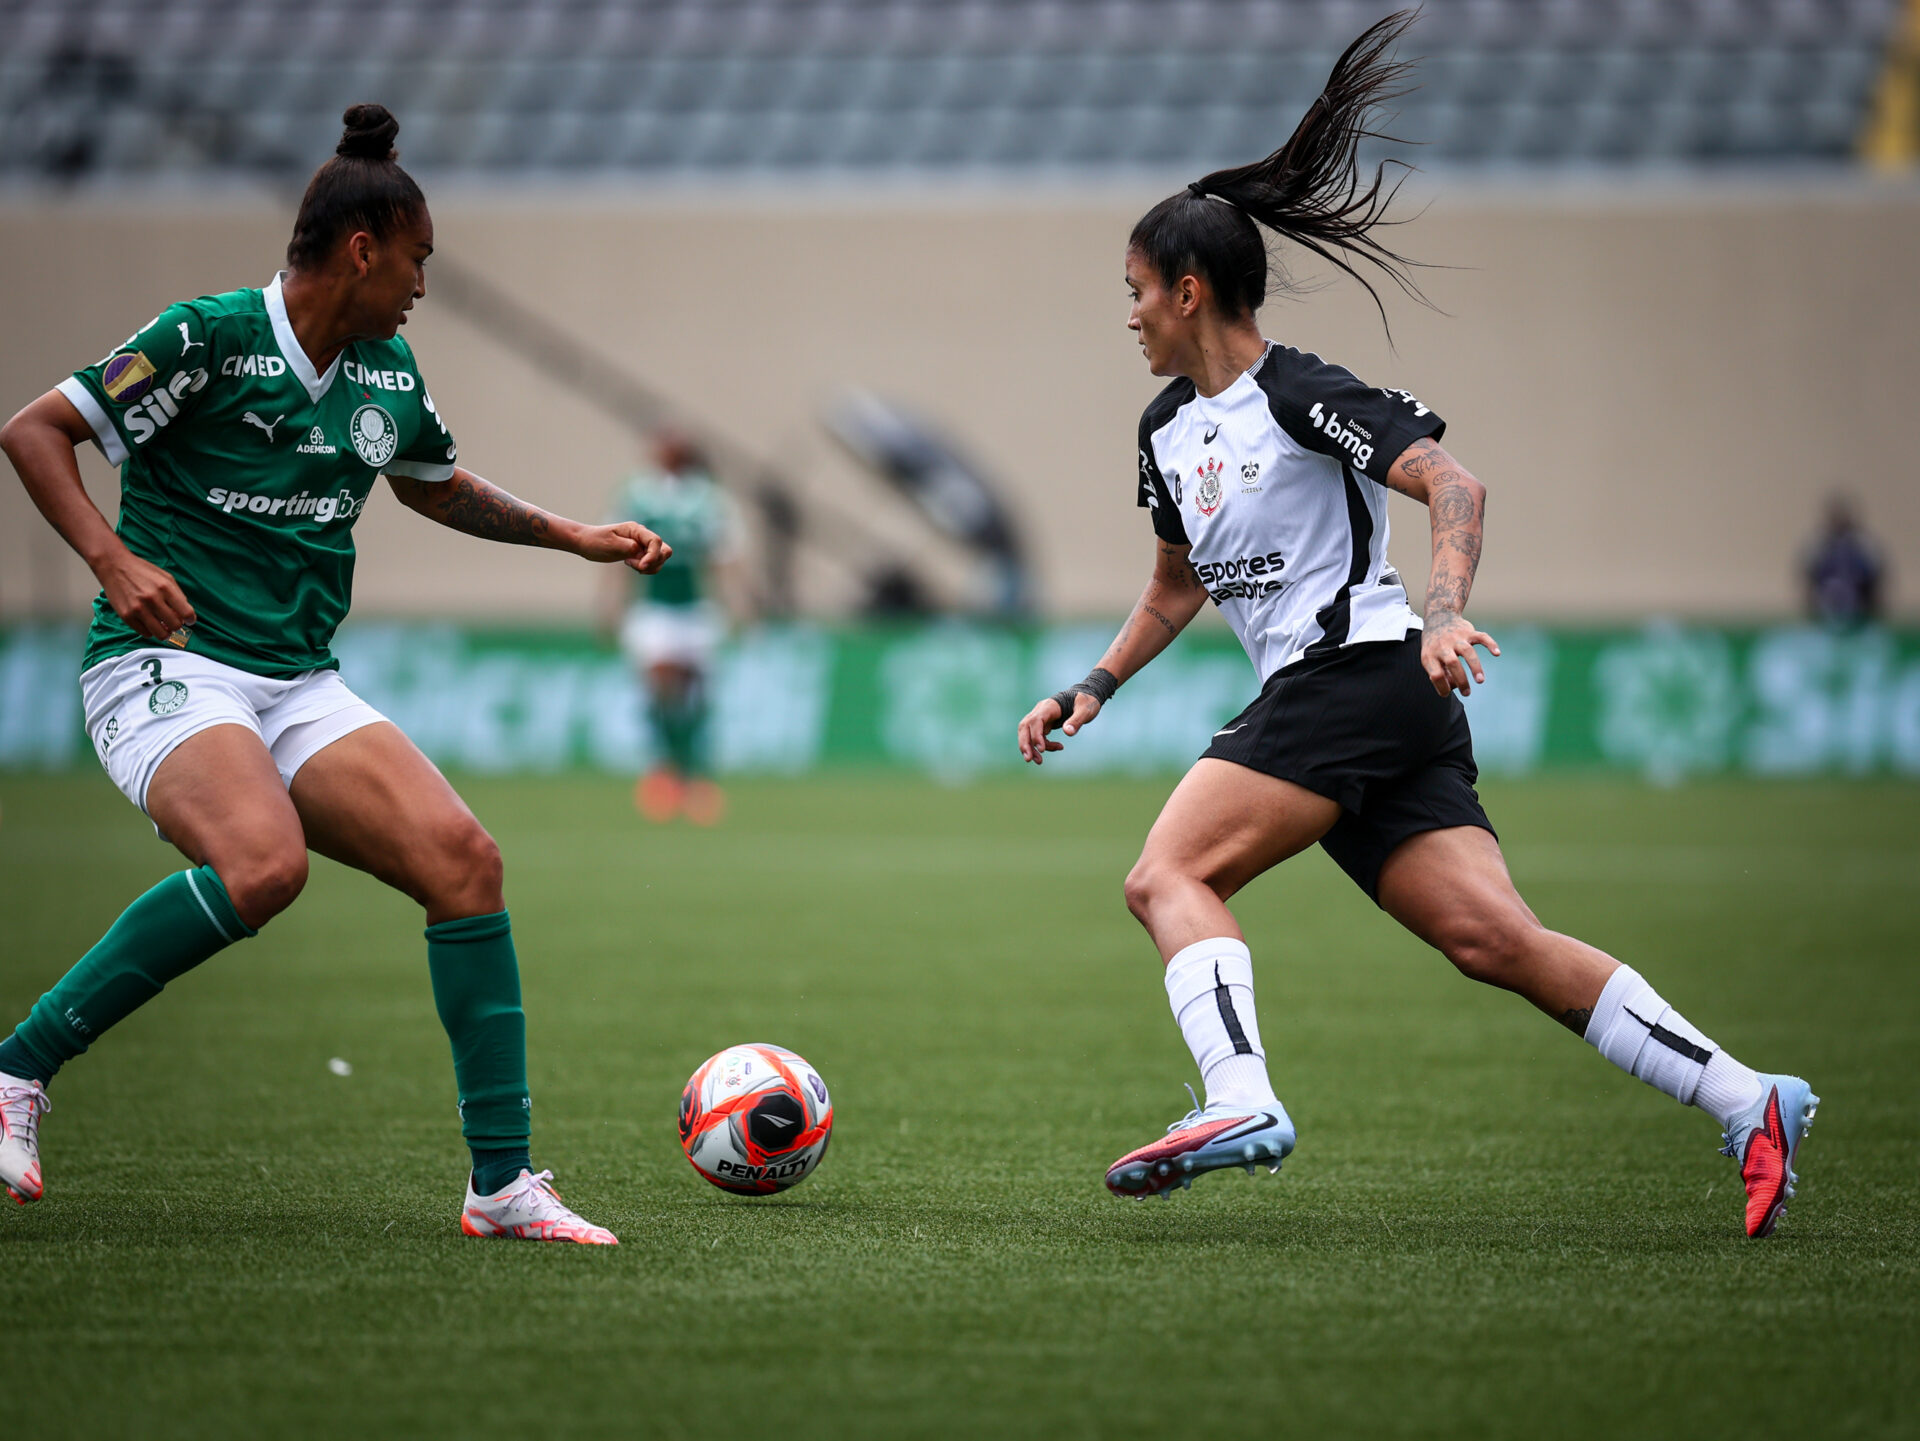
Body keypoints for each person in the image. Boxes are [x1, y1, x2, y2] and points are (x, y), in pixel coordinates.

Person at [1015, 13, 1817, 1239]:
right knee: (1495, 939)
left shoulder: (1302, 393)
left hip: (1361, 673)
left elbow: (1454, 483)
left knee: (1167, 875)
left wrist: (1444, 614)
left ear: (1188, 291)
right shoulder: (1166, 432)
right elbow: (1176, 584)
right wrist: (1096, 683)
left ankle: (1238, 1099)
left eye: (1135, 293)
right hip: (1378, 706)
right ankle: (1749, 1096)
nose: (1128, 317)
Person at [0, 105, 672, 1245]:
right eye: (417, 261)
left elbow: (435, 486)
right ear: (363, 250)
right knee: (265, 865)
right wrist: (113, 563)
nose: (422, 286)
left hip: (297, 680)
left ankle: (502, 1185)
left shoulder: (385, 374)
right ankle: (18, 1068)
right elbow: (32, 431)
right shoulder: (205, 337)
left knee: (465, 861)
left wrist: (574, 536)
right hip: (168, 665)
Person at [601, 431, 746, 824]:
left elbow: (724, 556)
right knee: (660, 686)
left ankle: (694, 775)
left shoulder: (708, 500)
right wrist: (611, 603)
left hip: (695, 610)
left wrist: (738, 605)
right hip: (654, 610)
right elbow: (614, 551)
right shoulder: (637, 495)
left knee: (693, 695)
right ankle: (665, 770)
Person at [1803, 495, 1885, 627]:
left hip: (1860, 615)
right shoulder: (1817, 545)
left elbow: (1876, 579)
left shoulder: (1863, 545)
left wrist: (1874, 609)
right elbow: (1808, 579)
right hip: (1824, 616)